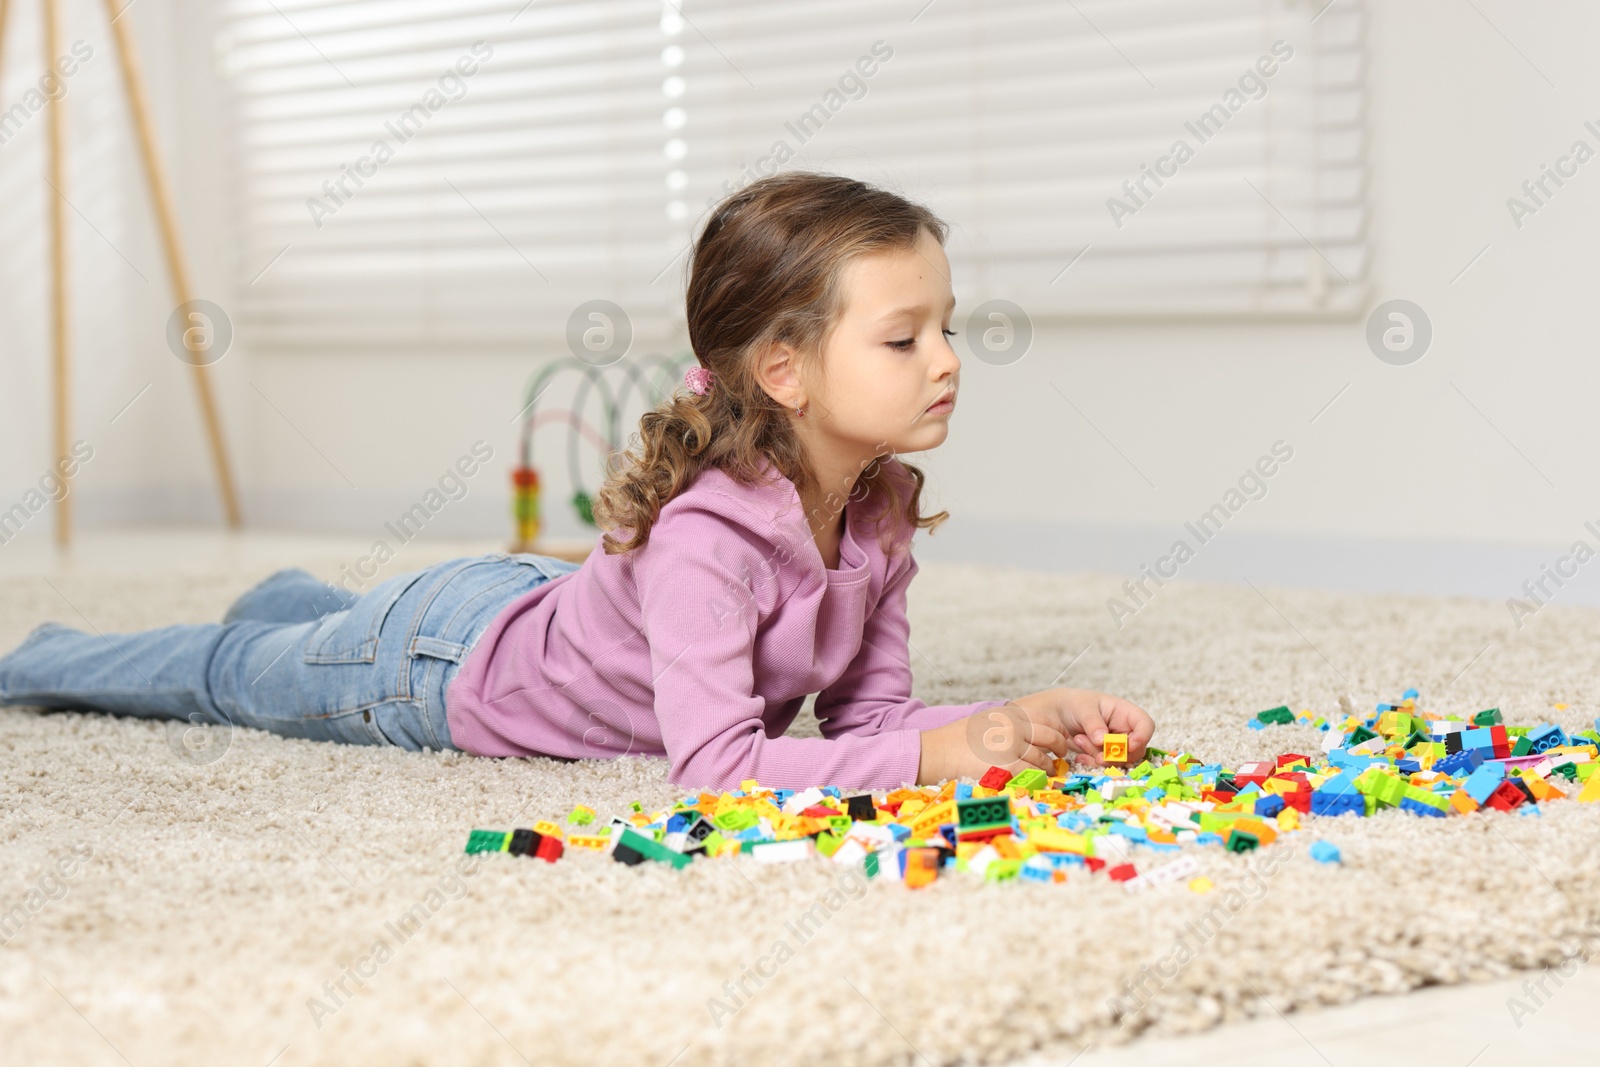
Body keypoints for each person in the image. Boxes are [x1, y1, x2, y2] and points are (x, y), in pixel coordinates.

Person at [0, 172, 1154, 791]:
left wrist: (1011, 725)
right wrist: (940, 754)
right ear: (785, 369)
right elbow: (719, 769)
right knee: (226, 675)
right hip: (435, 669)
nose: (949, 359)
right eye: (905, 338)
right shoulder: (711, 538)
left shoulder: (879, 505)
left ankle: (292, 599)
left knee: (306, 628)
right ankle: (35, 654)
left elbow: (874, 722)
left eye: (945, 327)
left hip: (506, 601)